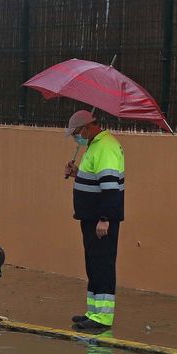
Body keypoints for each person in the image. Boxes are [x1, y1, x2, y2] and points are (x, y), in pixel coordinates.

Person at [63, 110, 125, 333]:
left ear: (87, 128)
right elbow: (96, 180)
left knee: (102, 265)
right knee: (93, 264)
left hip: (101, 221)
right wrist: (77, 173)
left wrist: (105, 219)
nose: (75, 138)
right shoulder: (96, 145)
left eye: (76, 133)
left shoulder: (106, 147)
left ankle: (103, 318)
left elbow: (110, 187)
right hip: (91, 219)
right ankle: (93, 312)